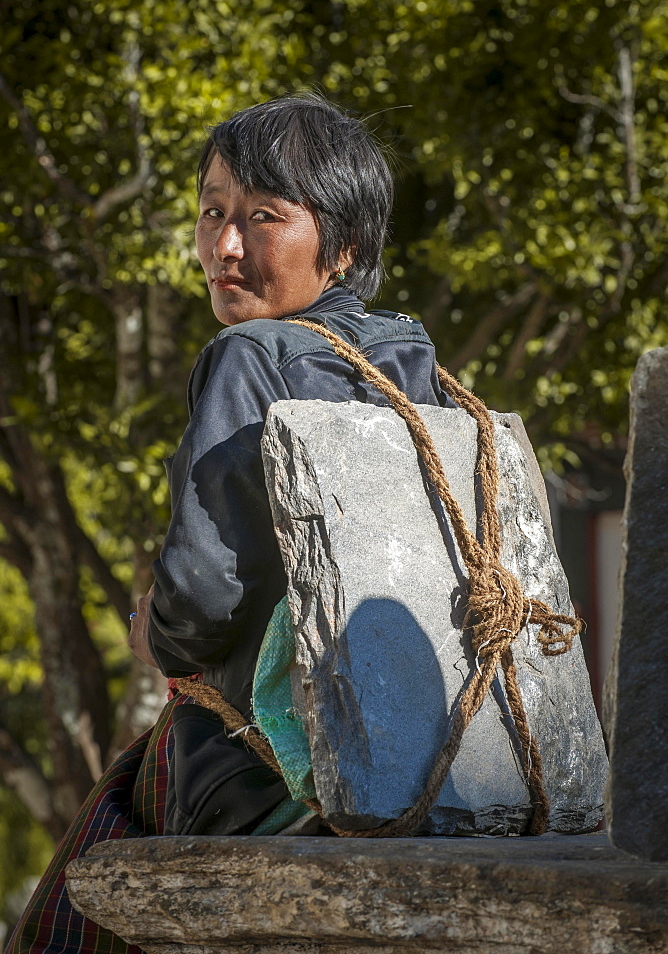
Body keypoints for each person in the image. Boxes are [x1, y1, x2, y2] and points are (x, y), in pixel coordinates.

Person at [7, 93, 455, 954]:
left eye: (262, 217)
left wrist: (157, 638)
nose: (224, 247)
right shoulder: (410, 356)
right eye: (213, 213)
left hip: (260, 783)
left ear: (345, 246)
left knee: (74, 896)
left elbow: (202, 595)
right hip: (410, 772)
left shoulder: (249, 355)